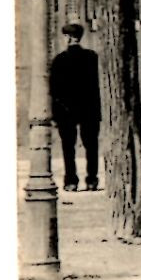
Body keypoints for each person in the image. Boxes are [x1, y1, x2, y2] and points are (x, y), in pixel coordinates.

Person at [49, 22, 101, 192]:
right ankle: (92, 180)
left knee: (68, 147)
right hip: (89, 109)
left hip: (66, 111)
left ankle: (71, 181)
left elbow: (54, 90)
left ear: (68, 38)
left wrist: (55, 114)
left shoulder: (59, 60)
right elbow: (97, 85)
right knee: (91, 145)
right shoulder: (92, 58)